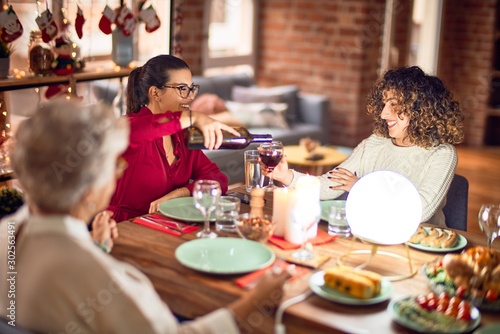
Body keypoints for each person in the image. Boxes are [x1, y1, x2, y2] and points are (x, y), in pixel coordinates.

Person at [0, 99, 290, 333]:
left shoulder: (6, 235)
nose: (119, 173)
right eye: (114, 168)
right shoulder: (110, 281)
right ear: (89, 192)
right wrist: (255, 302)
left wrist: (96, 247)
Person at [269, 66, 464, 227]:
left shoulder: (442, 154)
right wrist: (287, 176)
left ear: (420, 110)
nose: (383, 114)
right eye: (384, 104)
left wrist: (361, 187)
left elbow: (420, 211)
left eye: (394, 105)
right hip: (370, 232)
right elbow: (329, 186)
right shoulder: (374, 143)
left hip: (419, 244)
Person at [108, 54, 239, 222]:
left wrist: (179, 193)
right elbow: (146, 129)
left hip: (167, 227)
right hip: (123, 229)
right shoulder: (129, 126)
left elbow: (218, 179)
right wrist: (194, 117)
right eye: (182, 89)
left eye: (192, 89)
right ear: (155, 93)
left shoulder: (182, 135)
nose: (191, 97)